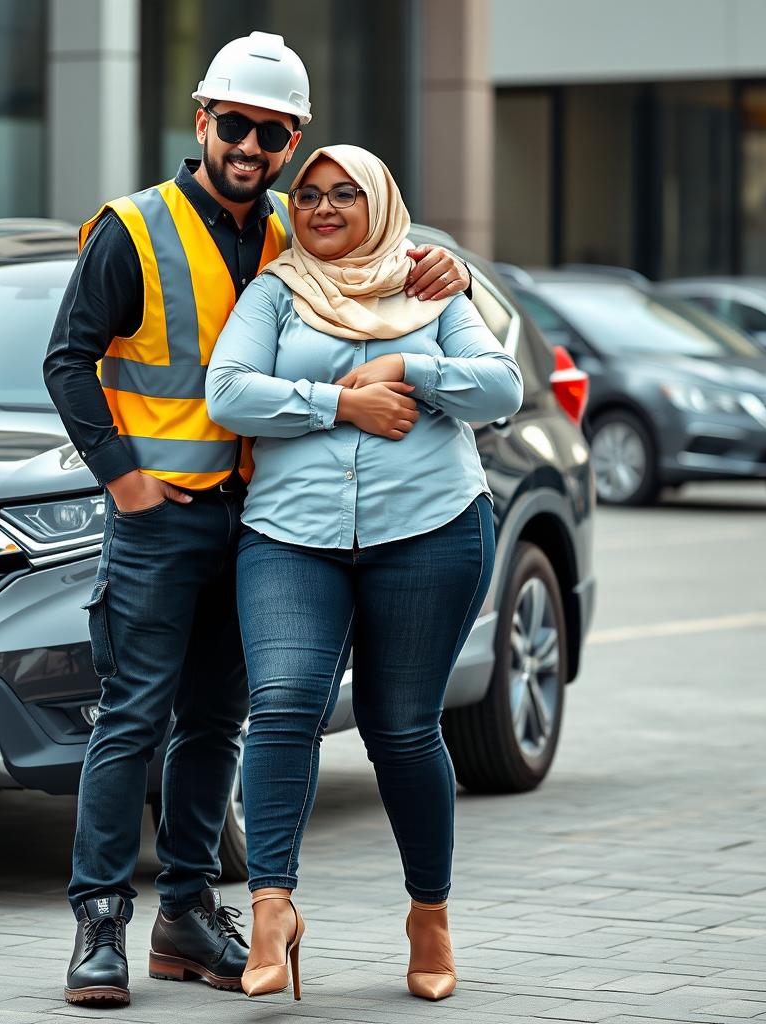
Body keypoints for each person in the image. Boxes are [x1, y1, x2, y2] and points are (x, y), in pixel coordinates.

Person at [43, 31, 472, 1007]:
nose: (250, 145)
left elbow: (386, 265)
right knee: (131, 720)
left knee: (213, 726)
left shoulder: (294, 224)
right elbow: (66, 361)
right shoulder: (134, 228)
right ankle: (100, 922)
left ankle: (188, 916)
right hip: (159, 519)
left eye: (271, 132)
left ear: (291, 141)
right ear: (201, 122)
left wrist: (436, 264)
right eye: (234, 124)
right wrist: (122, 480)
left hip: (258, 526)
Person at [206, 144, 524, 1002]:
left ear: (380, 202)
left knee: (401, 728)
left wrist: (406, 367)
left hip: (429, 530)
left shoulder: (427, 282)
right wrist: (339, 402)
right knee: (282, 703)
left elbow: (501, 389)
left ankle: (430, 916)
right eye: (308, 193)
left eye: (346, 192)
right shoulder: (276, 290)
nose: (324, 206)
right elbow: (228, 392)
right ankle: (272, 907)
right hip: (291, 534)